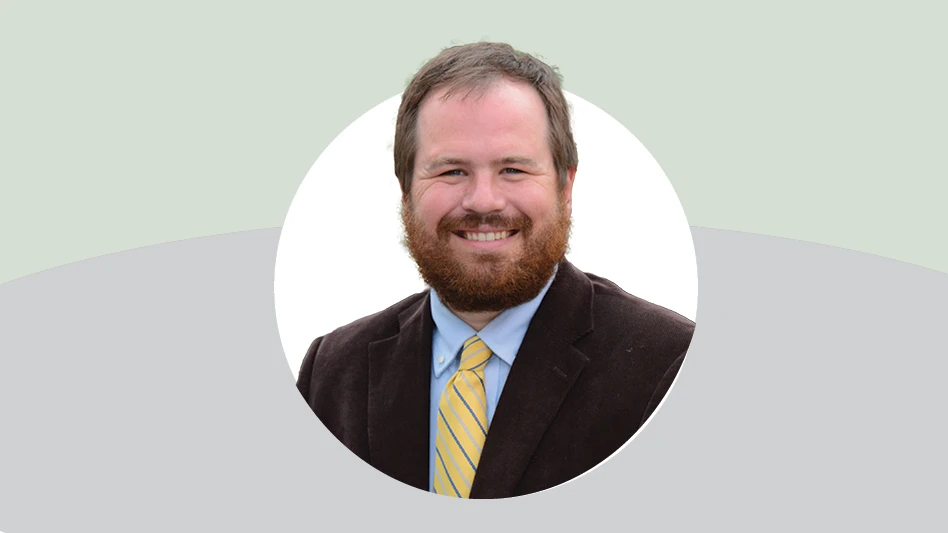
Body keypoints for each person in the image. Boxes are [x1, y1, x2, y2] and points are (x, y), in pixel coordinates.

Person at [296, 42, 695, 498]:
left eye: (513, 169)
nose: (483, 201)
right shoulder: (332, 372)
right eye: (451, 171)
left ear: (565, 186)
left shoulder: (669, 367)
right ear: (405, 191)